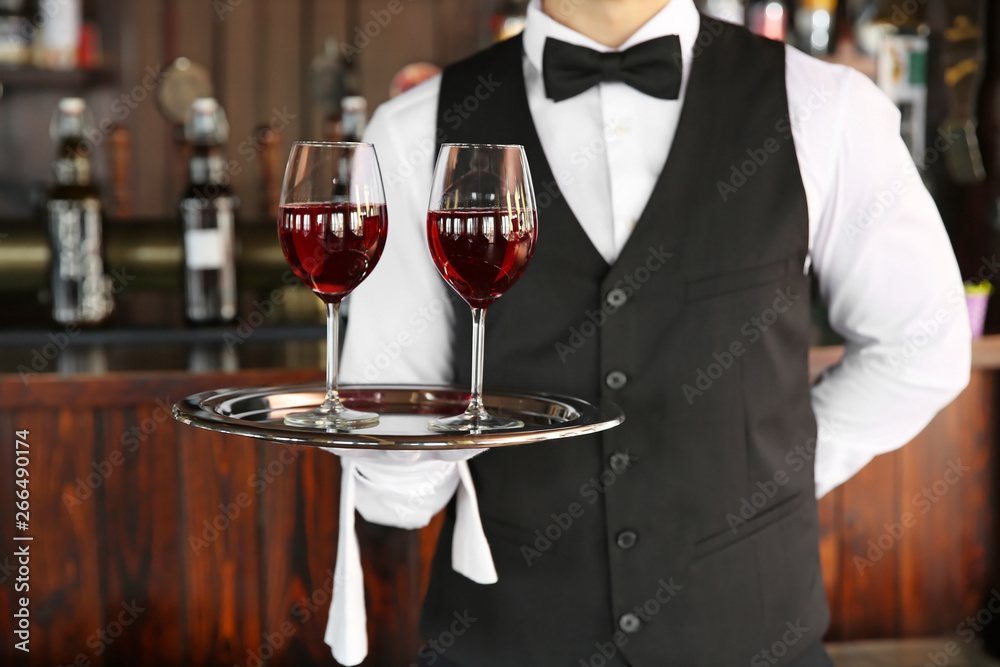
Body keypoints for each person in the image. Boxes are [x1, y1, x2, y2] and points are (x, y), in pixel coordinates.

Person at [325, 0, 972, 665]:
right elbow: (397, 483)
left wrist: (772, 477)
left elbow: (921, 343)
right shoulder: (410, 133)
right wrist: (387, 457)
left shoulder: (826, 107)